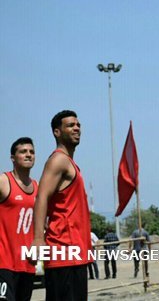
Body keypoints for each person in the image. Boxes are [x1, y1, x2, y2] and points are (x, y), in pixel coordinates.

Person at [32, 110, 92, 301]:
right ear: (57, 132)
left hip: (75, 253)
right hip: (64, 252)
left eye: (78, 125)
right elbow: (41, 197)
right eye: (70, 125)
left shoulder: (69, 163)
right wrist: (38, 239)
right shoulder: (58, 160)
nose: (77, 128)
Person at [0, 137, 38, 301]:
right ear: (13, 158)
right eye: (23, 152)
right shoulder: (3, 181)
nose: (28, 155)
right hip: (3, 263)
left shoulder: (38, 187)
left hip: (27, 264)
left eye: (32, 152)